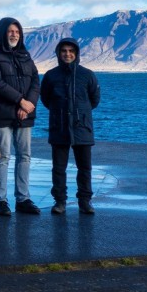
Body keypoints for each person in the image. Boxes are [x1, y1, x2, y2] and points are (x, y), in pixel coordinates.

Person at [0, 17, 42, 216]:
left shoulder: (25, 54)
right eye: (10, 31)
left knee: (24, 156)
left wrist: (28, 105)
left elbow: (35, 80)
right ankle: (1, 200)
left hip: (25, 114)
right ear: (2, 32)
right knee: (3, 157)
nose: (14, 34)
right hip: (2, 113)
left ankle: (23, 198)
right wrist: (20, 101)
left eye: (17, 31)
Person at [41, 37, 101, 215]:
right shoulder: (51, 76)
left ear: (76, 53)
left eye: (71, 51)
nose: (67, 54)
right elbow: (45, 99)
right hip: (59, 127)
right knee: (59, 168)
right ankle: (60, 201)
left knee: (85, 168)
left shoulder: (87, 75)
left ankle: (85, 201)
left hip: (82, 127)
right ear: (59, 53)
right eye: (63, 51)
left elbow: (94, 100)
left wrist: (80, 113)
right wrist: (60, 112)